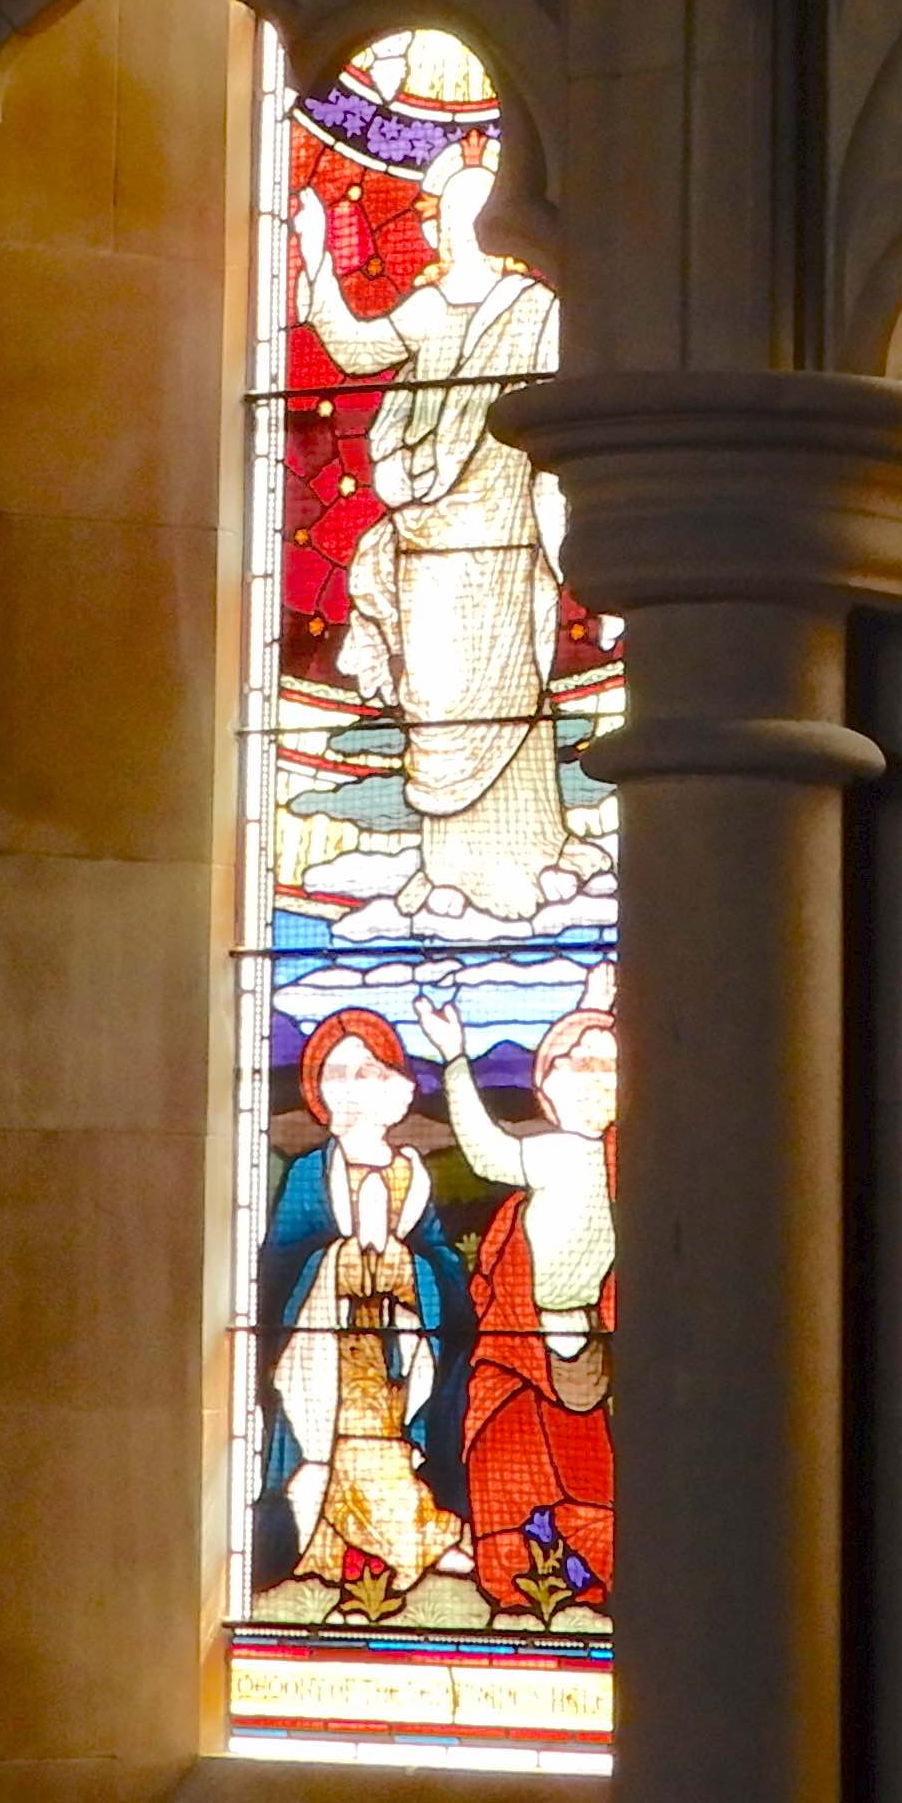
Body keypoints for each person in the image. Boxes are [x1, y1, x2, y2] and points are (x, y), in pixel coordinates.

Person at [291, 144, 586, 928]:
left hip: (501, 537)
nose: (460, 230)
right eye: (449, 216)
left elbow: (566, 430)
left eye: (475, 214)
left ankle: (521, 858)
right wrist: (319, 260)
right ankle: (448, 864)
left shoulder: (537, 314)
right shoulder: (425, 310)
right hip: (429, 545)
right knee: (439, 702)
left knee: (509, 690)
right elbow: (354, 348)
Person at [252, 1008, 476, 1605]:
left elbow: (446, 1273)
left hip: (397, 1354)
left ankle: (410, 1537)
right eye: (339, 1073)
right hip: (322, 1349)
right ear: (318, 1089)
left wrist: (411, 1274)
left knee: (390, 1452)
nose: (354, 1087)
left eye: (370, 1072)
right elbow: (275, 1269)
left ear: (399, 1090)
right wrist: (330, 1268)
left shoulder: (414, 1176)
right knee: (331, 1451)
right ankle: (366, 1545)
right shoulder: (308, 1175)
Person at [415, 975, 617, 1618]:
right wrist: (453, 1059)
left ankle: (586, 1575)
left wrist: (594, 1007)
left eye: (611, 1064)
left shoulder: (639, 1156)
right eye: (577, 1063)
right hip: (523, 1345)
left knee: (588, 1471)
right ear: (547, 1085)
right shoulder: (552, 1153)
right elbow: (482, 1150)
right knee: (511, 1456)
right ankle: (516, 1577)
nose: (595, 1078)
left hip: (597, 1349)